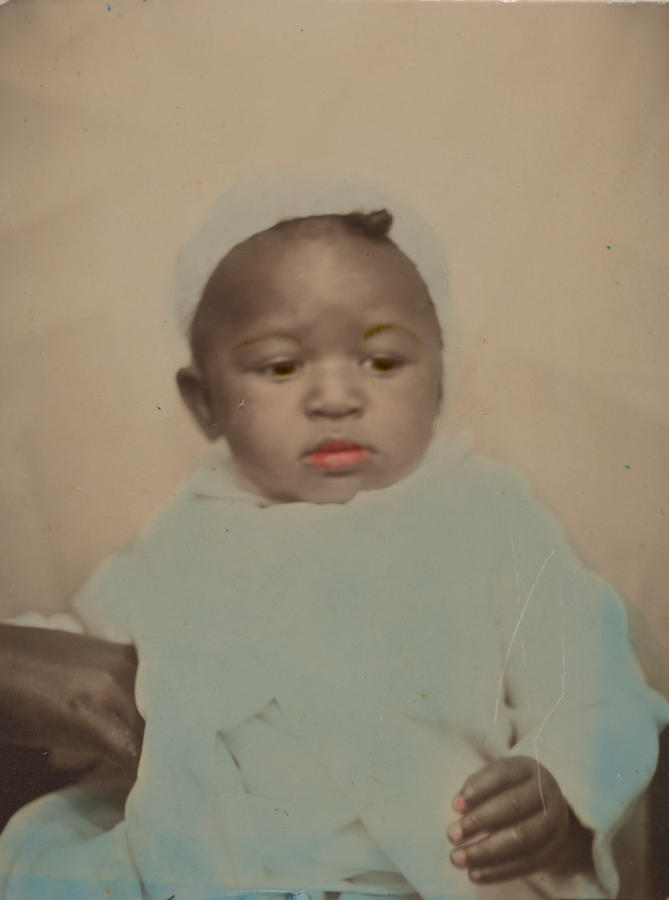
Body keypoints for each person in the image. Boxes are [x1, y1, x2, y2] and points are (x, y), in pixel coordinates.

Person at [0, 180, 667, 900]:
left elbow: (589, 678)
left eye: (382, 362)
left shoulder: (485, 513)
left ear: (438, 384)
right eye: (281, 367)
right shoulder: (186, 535)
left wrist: (560, 782)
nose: (335, 397)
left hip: (423, 871)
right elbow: (75, 667)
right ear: (207, 403)